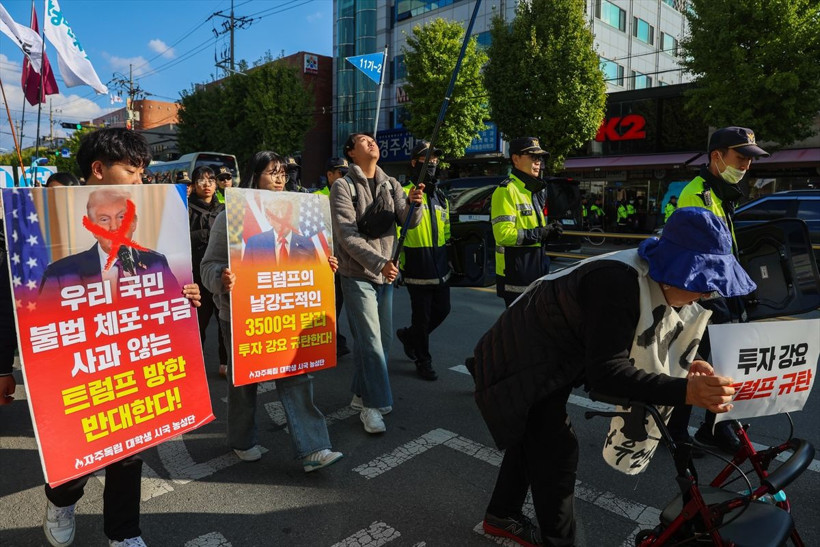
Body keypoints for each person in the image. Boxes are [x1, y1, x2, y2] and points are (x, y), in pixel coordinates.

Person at [470, 207, 754, 547]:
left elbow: (652, 336)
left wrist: (689, 363)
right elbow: (606, 373)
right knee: (555, 447)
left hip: (552, 354)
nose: (706, 296)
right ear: (676, 272)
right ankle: (558, 542)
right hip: (520, 359)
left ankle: (501, 515)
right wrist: (687, 392)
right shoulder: (617, 282)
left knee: (533, 438)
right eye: (703, 285)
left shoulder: (651, 274)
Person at [40, 128, 201, 547]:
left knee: (130, 450)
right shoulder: (61, 270)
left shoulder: (155, 259)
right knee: (75, 450)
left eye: (142, 171)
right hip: (80, 373)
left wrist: (188, 298)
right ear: (98, 170)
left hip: (132, 369)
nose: (139, 180)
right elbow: (38, 327)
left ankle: (124, 532)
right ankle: (61, 499)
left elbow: (172, 314)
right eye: (131, 170)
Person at [200, 150, 344, 472]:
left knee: (296, 377)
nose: (280, 179)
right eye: (271, 172)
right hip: (240, 317)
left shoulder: (305, 229)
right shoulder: (232, 217)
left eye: (283, 172)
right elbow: (208, 265)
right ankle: (241, 439)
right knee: (243, 384)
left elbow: (311, 274)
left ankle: (314, 448)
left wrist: (326, 267)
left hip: (289, 316)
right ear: (255, 176)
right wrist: (222, 278)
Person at [669, 126, 769, 455]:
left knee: (723, 365)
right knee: (692, 363)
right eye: (740, 158)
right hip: (703, 299)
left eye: (750, 160)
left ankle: (714, 427)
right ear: (717, 156)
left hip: (721, 295)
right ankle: (677, 432)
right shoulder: (695, 195)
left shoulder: (721, 193)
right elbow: (698, 258)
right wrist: (717, 296)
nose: (745, 166)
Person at [329, 132, 423, 434]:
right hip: (358, 274)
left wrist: (414, 204)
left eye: (373, 140)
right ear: (351, 153)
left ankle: (359, 393)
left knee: (383, 341)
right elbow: (346, 235)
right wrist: (380, 263)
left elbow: (409, 221)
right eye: (364, 141)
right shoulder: (342, 187)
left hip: (386, 273)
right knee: (370, 342)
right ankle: (372, 405)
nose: (372, 143)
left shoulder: (391, 183)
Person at [39, 188, 181, 296]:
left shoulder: (157, 262)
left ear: (133, 223)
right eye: (104, 219)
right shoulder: (59, 274)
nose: (114, 227)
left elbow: (174, 304)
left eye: (121, 217)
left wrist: (188, 297)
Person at [395, 140, 451, 381]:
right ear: (413, 163)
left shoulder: (441, 197)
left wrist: (451, 261)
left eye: (435, 160)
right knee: (423, 317)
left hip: (439, 265)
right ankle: (423, 359)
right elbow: (396, 231)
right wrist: (397, 264)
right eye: (426, 159)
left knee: (443, 309)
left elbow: (447, 233)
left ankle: (410, 336)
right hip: (416, 265)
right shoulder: (405, 193)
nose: (433, 164)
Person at [491, 137, 563, 307]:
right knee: (520, 330)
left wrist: (550, 232)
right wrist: (541, 233)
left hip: (534, 271)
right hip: (515, 274)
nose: (538, 162)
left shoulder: (534, 190)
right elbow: (503, 235)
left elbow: (534, 231)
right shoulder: (506, 190)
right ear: (516, 159)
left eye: (540, 158)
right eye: (533, 157)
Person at [188, 166, 228, 378]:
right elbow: (179, 237)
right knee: (198, 324)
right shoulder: (185, 208)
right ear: (194, 185)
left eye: (211, 180)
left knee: (223, 318)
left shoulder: (223, 209)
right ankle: (196, 363)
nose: (207, 184)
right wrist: (203, 234)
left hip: (218, 274)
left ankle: (225, 362)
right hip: (195, 275)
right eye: (201, 180)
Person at [317, 157, 351, 357]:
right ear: (329, 175)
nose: (345, 177)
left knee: (340, 303)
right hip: (325, 261)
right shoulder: (318, 197)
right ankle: (332, 340)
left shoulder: (350, 195)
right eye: (341, 173)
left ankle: (335, 337)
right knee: (330, 303)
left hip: (346, 259)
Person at [243, 197, 315, 264]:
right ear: (269, 219)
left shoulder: (307, 244)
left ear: (292, 216)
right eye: (275, 212)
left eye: (284, 211)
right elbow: (246, 275)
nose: (281, 217)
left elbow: (316, 274)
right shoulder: (254, 244)